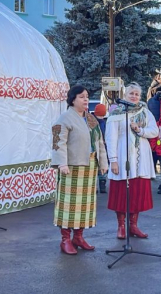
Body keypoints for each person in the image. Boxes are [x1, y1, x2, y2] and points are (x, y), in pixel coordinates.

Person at [51, 85, 108, 255]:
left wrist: (103, 163)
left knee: (84, 206)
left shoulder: (90, 119)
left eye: (87, 96)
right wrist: (61, 163)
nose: (86, 100)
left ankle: (78, 237)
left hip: (89, 167)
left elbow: (99, 142)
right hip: (71, 168)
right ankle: (65, 240)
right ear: (73, 99)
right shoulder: (64, 118)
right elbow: (57, 142)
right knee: (68, 206)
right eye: (82, 97)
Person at [106, 83, 159, 239]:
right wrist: (113, 160)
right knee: (122, 193)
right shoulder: (116, 113)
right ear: (125, 95)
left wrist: (140, 130)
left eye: (137, 94)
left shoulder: (145, 112)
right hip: (122, 156)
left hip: (141, 157)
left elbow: (154, 131)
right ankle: (121, 226)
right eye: (131, 94)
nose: (134, 96)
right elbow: (111, 138)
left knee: (137, 193)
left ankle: (133, 226)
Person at [94, 103, 108, 193]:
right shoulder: (104, 122)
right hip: (102, 145)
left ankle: (94, 188)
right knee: (102, 167)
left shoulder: (91, 120)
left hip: (94, 147)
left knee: (95, 168)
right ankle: (102, 186)